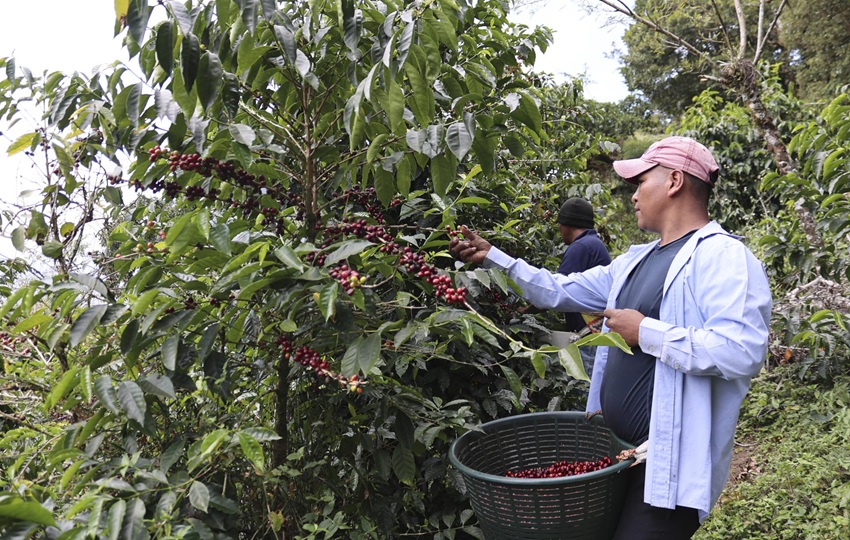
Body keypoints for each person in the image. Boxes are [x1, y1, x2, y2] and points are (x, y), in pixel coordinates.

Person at [450, 136, 772, 540]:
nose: (634, 195)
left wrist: (646, 332)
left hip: (667, 464)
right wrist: (493, 256)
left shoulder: (723, 257)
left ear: (674, 181)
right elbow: (557, 289)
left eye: (640, 183)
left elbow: (741, 352)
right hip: (619, 454)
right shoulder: (634, 259)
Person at [520, 197, 611, 376]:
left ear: (568, 224)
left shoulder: (582, 247)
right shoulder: (593, 244)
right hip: (596, 336)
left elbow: (554, 292)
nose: (559, 229)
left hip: (590, 339)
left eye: (560, 224)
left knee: (580, 391)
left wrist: (523, 311)